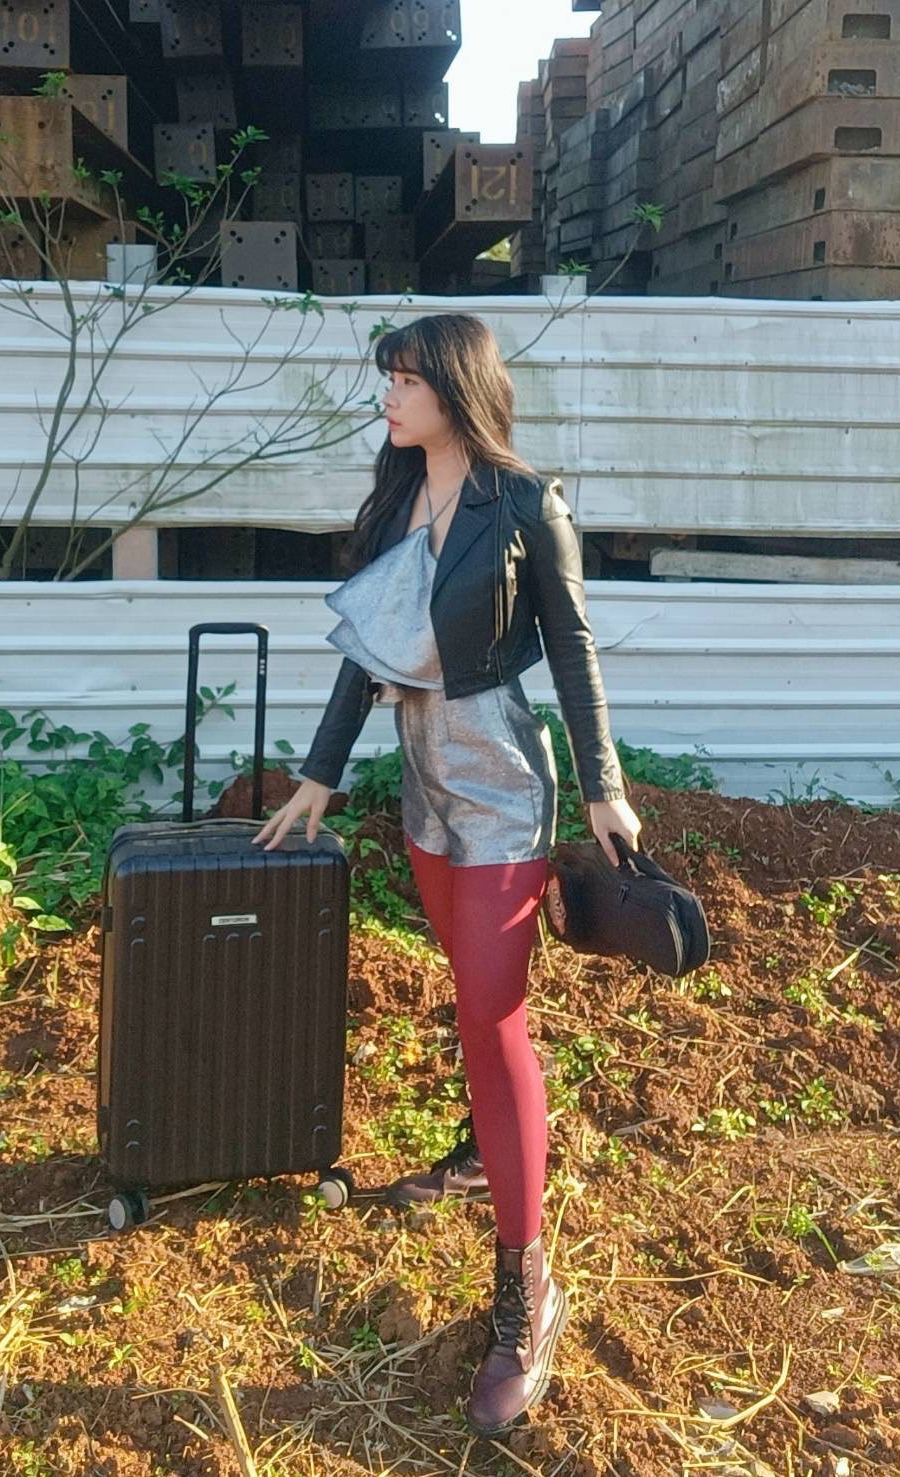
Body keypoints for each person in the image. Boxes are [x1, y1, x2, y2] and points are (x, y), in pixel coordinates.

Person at [251, 311, 642, 1437]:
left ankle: (526, 1287)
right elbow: (367, 651)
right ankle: (485, 1154)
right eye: (388, 376)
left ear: (456, 388)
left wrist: (605, 786)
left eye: (406, 378)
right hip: (423, 785)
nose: (389, 393)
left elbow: (572, 645)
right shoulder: (394, 498)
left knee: (493, 1016)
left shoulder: (522, 502)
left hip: (501, 785)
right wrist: (320, 775)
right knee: (473, 998)